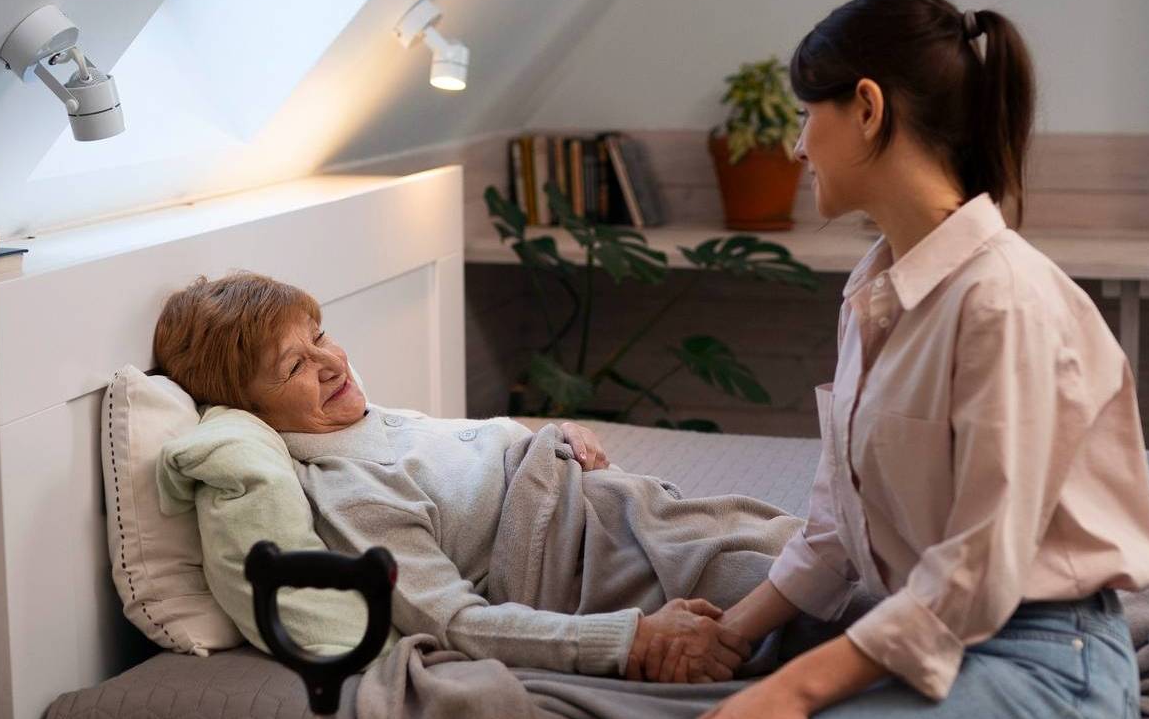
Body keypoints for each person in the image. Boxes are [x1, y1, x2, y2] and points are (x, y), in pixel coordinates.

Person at [633, 0, 1149, 719]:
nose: (798, 143)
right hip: (942, 639)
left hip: (1042, 675)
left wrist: (790, 688)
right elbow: (839, 525)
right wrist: (732, 636)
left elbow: (974, 574)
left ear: (867, 108)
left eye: (809, 113)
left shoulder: (1003, 304)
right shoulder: (878, 292)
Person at [153, 272, 801, 683]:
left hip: (628, 513)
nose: (329, 362)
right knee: (825, 590)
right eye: (295, 364)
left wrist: (555, 439)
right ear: (248, 409)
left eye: (321, 336)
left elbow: (465, 458)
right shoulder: (348, 489)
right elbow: (458, 622)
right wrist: (630, 639)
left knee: (825, 547)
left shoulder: (363, 418)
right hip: (591, 564)